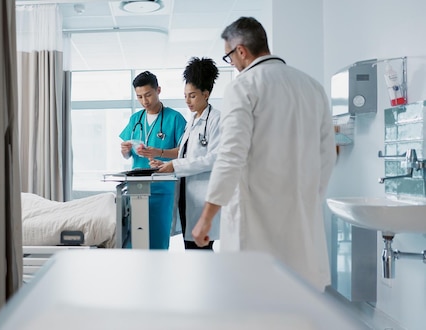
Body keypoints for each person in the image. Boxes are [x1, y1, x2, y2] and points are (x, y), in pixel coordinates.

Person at [191, 17, 336, 292]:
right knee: (298, 305)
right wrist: (309, 199)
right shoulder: (312, 87)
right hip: (301, 224)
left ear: (241, 51)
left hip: (255, 225)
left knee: (255, 303)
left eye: (229, 56)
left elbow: (231, 155)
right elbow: (327, 155)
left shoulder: (243, 87)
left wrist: (207, 216)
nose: (231, 63)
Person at [150, 57, 221, 250]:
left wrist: (176, 166)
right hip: (186, 196)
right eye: (185, 96)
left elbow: (215, 158)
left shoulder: (216, 120)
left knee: (201, 252)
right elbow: (185, 155)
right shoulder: (193, 121)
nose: (187, 101)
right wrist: (163, 164)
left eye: (192, 96)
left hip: (202, 197)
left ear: (206, 94)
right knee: (192, 250)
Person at [119, 71, 187, 249]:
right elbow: (128, 155)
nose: (144, 101)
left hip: (163, 184)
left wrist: (160, 152)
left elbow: (184, 151)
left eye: (148, 95)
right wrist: (125, 151)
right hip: (137, 184)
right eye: (139, 97)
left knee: (158, 236)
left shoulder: (175, 118)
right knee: (134, 237)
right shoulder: (136, 119)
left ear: (158, 90)